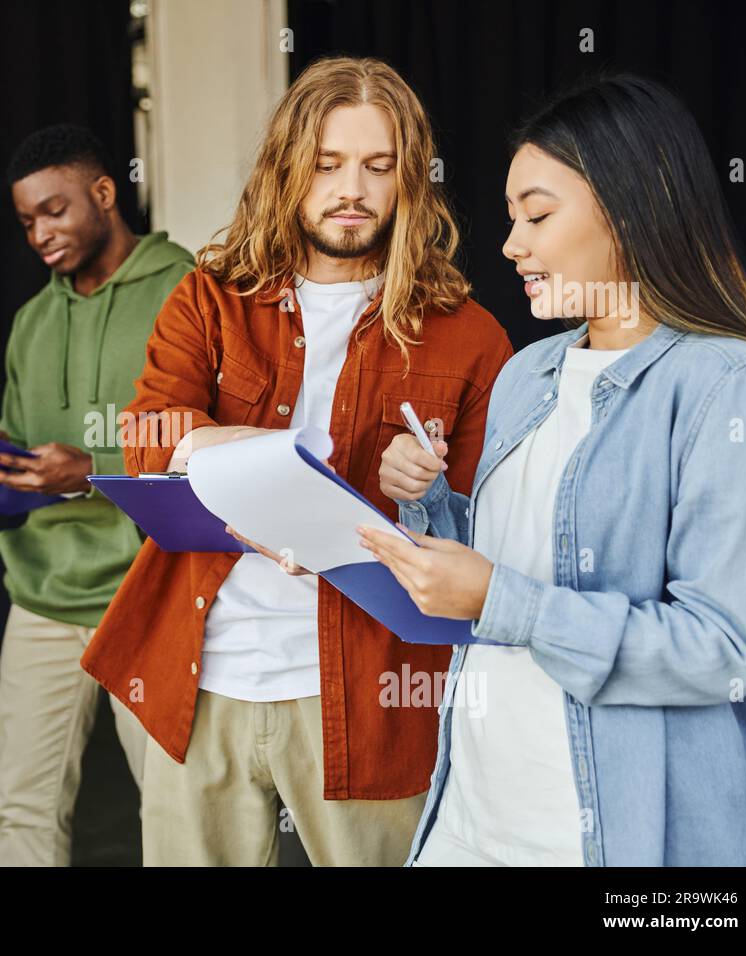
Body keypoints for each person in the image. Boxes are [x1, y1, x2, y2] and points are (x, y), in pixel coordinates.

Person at [80, 56, 513, 866]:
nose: (351, 187)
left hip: (375, 697)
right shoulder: (209, 297)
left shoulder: (471, 336)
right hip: (200, 683)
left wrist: (426, 494)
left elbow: (495, 535)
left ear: (409, 180)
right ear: (287, 168)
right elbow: (145, 433)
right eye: (327, 163)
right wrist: (277, 456)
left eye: (377, 167)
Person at [365, 74, 746, 866]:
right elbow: (515, 564)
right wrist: (429, 507)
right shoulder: (531, 373)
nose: (511, 244)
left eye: (538, 215)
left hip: (610, 839)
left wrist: (502, 600)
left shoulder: (731, 385)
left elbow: (722, 648)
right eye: (510, 218)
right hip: (473, 813)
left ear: (630, 209)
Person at [0, 124, 195, 866]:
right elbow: (31, 454)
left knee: (177, 809)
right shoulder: (30, 321)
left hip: (149, 592)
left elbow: (207, 447)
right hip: (44, 595)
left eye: (54, 211)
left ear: (103, 193)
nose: (40, 234)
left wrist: (88, 468)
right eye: (27, 222)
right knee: (23, 804)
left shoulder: (189, 291)